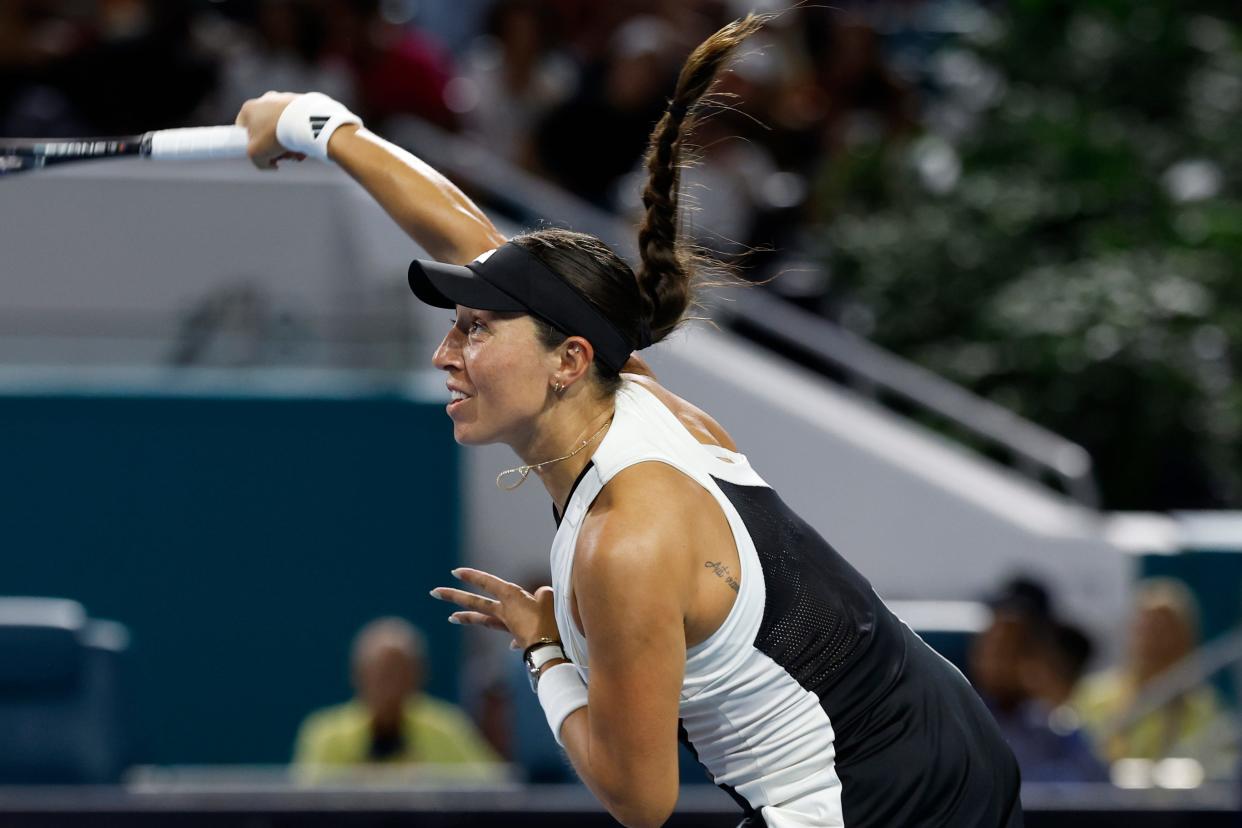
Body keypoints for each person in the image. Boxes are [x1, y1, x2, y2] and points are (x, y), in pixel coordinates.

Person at [235, 13, 1022, 826]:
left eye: (473, 329)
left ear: (567, 360)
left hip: (868, 802)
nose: (445, 353)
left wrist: (544, 652)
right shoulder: (633, 392)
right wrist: (321, 126)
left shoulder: (624, 544)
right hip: (947, 731)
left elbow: (638, 798)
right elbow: (468, 232)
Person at [292, 617, 500, 777]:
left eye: (401, 672)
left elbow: (491, 788)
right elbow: (307, 800)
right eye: (382, 673)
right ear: (358, 675)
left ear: (419, 676)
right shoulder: (325, 734)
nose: (391, 684)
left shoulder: (446, 727)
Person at [1074, 578, 1233, 774]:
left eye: (1164, 629)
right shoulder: (1094, 696)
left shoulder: (1202, 708)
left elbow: (1214, 769)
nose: (1152, 639)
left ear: (1185, 638)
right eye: (1145, 627)